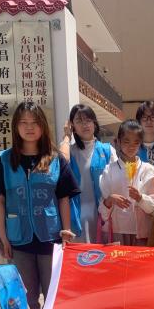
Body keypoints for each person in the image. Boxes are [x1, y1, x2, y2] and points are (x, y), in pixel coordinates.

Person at [0, 102, 79, 309]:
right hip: (19, 240)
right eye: (23, 122)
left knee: (54, 296)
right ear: (15, 126)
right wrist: (2, 239)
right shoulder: (2, 161)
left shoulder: (56, 159)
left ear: (43, 126)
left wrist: (66, 231)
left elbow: (63, 198)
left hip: (51, 237)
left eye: (34, 122)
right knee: (26, 297)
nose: (29, 127)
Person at [58, 104, 116, 244]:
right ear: (72, 127)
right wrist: (67, 136)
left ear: (94, 123)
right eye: (79, 121)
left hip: (103, 213)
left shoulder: (107, 150)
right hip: (75, 216)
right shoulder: (69, 151)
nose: (85, 125)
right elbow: (62, 160)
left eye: (88, 120)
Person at [99, 119, 154, 245]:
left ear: (141, 144)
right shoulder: (109, 170)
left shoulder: (150, 171)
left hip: (142, 233)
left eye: (136, 142)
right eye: (126, 142)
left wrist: (141, 198)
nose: (131, 147)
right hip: (116, 231)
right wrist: (110, 200)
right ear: (118, 142)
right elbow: (103, 213)